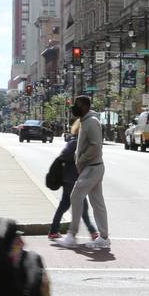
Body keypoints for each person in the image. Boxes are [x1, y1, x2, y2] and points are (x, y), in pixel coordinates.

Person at [55, 95, 111, 251]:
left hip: (92, 167)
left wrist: (81, 159)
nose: (74, 107)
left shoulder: (92, 122)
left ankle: (72, 235)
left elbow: (95, 146)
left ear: (85, 106)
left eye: (77, 104)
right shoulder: (87, 121)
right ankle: (104, 237)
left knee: (76, 196)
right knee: (97, 202)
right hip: (93, 167)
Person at [48, 120, 99, 242]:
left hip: (72, 179)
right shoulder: (75, 143)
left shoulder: (76, 143)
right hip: (73, 180)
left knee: (64, 205)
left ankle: (53, 231)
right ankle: (92, 232)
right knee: (82, 207)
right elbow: (65, 156)